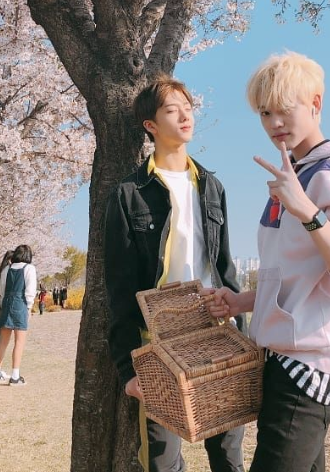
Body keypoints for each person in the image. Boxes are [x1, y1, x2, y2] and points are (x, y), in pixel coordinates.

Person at [207, 51, 330, 472]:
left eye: (285, 108)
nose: (275, 122)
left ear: (315, 104)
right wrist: (241, 302)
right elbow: (296, 279)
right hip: (284, 359)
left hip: (308, 366)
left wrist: (310, 213)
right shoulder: (294, 172)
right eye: (264, 112)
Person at [103, 75, 245, 472]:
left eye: (188, 108)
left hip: (215, 329)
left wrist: (246, 337)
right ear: (150, 125)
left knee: (229, 454)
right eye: (172, 109)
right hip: (159, 338)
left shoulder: (211, 186)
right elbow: (120, 289)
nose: (185, 116)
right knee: (163, 461)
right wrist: (129, 371)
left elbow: (226, 268)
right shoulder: (129, 193)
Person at [0, 244, 37, 386]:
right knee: (19, 341)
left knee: (3, 341)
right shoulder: (29, 269)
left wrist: (6, 302)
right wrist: (28, 308)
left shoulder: (6, 269)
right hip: (20, 304)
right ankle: (15, 376)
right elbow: (30, 291)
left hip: (7, 303)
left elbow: (1, 289)